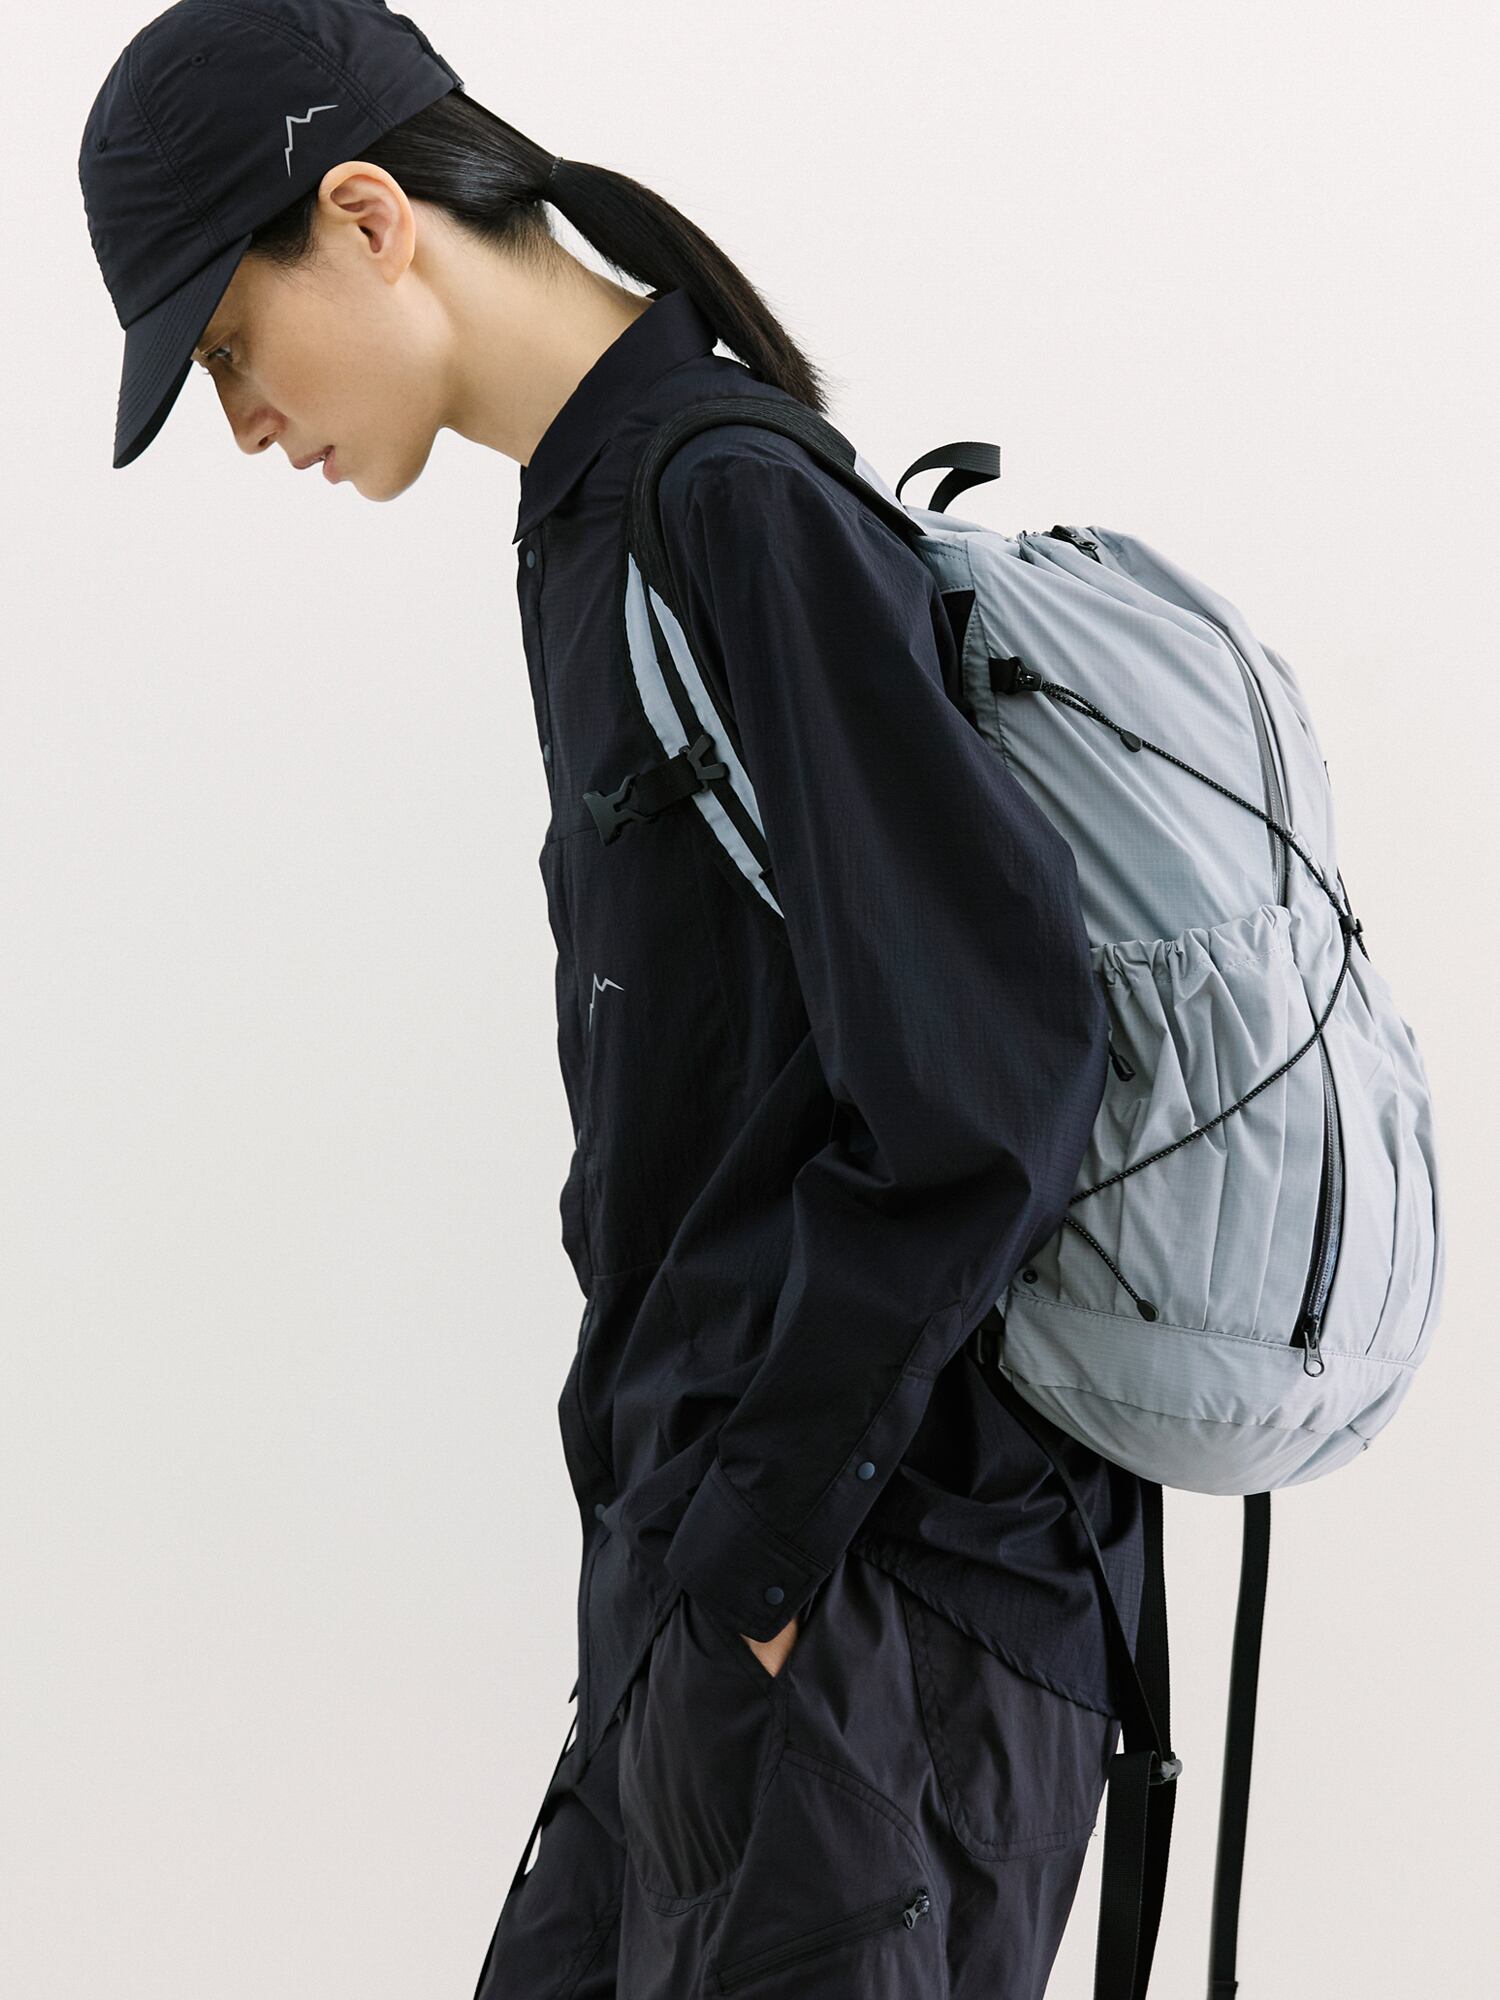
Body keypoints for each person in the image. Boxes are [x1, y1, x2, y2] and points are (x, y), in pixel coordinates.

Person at [80, 6, 1148, 1994]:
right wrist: (691, 1575)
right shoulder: (592, 519)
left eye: (226, 346)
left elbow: (995, 1070)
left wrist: (752, 1566)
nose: (242, 421)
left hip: (871, 1607)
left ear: (368, 217)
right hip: (723, 1595)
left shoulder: (727, 505)